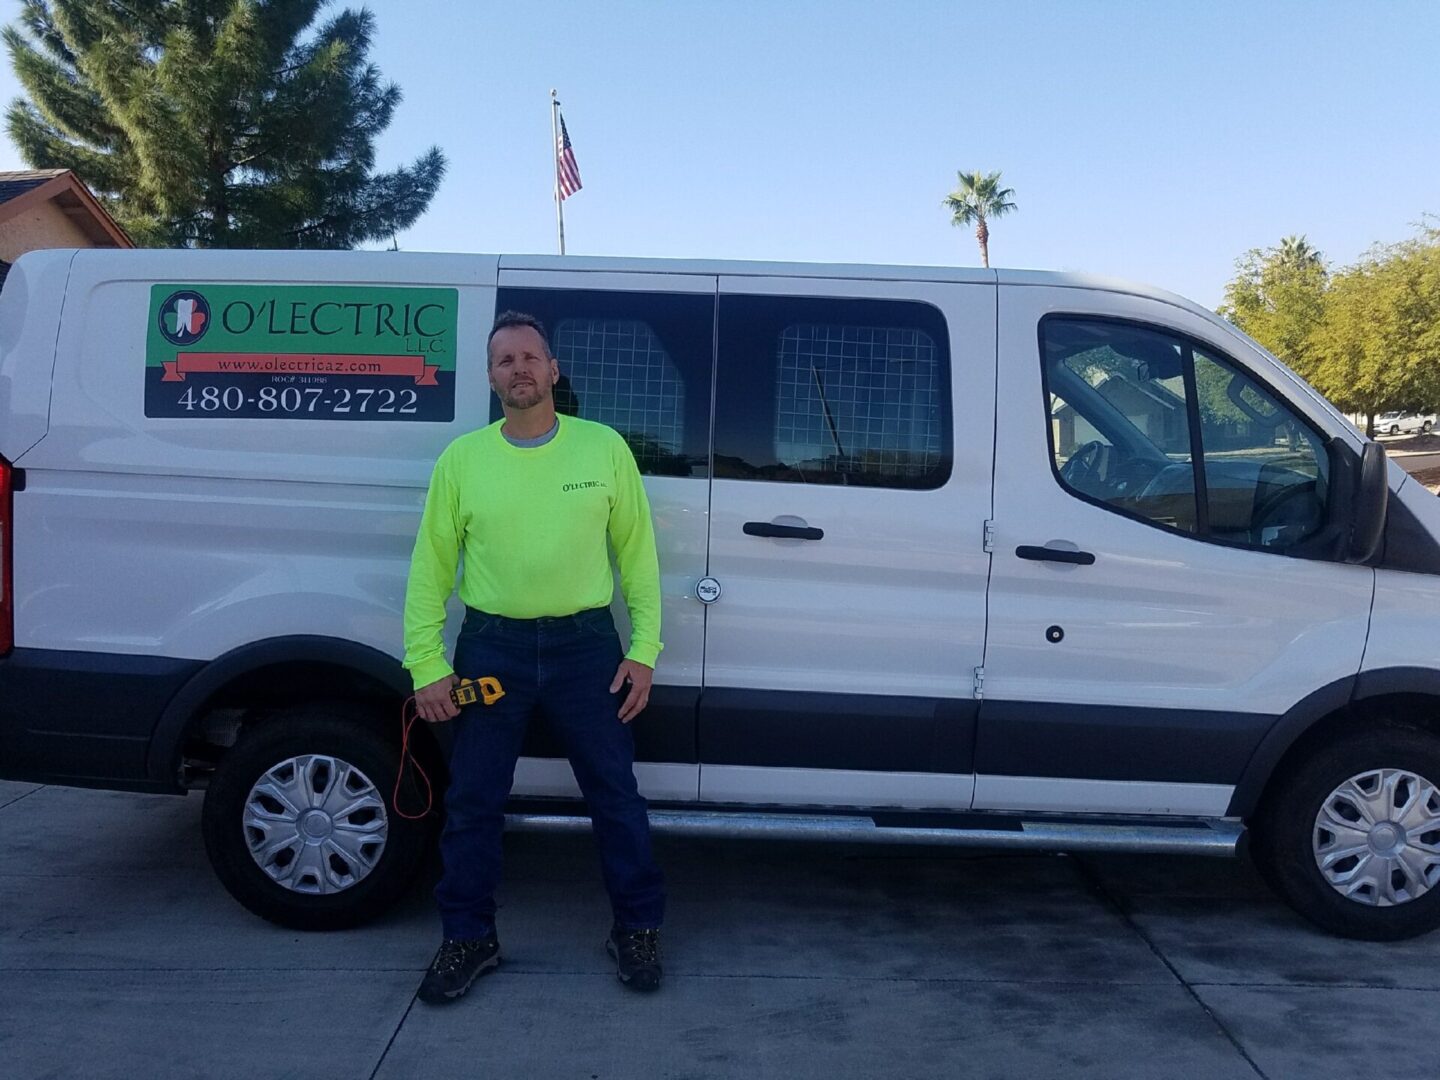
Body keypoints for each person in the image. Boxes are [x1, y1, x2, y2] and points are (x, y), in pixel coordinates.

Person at [403, 311, 666, 1004]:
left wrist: (643, 650)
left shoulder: (603, 448)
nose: (518, 368)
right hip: (493, 651)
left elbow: (637, 554)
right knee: (473, 802)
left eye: (530, 357)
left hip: (588, 650)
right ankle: (468, 937)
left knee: (615, 796)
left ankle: (636, 928)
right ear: (491, 379)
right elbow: (431, 567)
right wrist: (426, 664)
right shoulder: (462, 461)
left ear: (552, 371)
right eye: (504, 360)